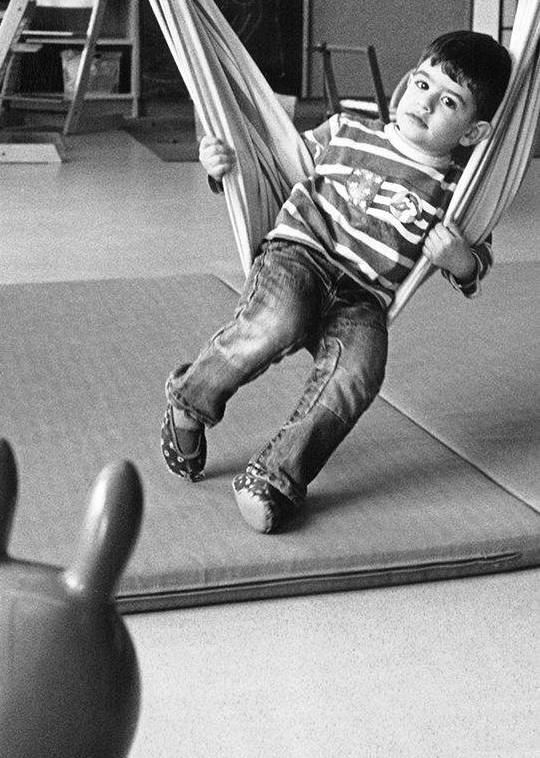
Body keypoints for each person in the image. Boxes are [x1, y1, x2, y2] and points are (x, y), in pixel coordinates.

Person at [160, 30, 512, 533]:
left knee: (360, 372)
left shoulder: (459, 192)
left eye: (449, 101)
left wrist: (457, 259)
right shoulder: (346, 131)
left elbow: (477, 261)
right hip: (301, 254)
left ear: (473, 133)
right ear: (406, 83)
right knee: (277, 321)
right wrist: (222, 171)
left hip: (363, 296)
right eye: (421, 85)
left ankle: (276, 476)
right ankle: (190, 400)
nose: (425, 103)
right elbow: (268, 165)